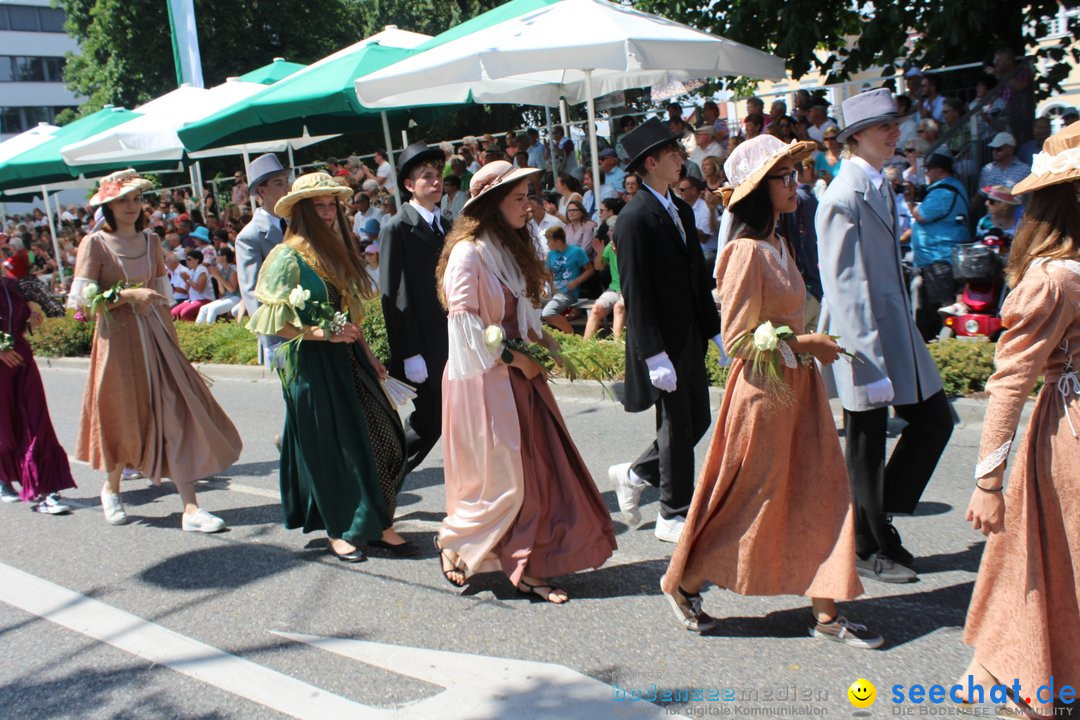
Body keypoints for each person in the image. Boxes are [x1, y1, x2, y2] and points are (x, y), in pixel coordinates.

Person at [660, 133, 882, 648]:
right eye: (784, 176)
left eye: (793, 174)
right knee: (749, 502)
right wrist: (806, 343)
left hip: (798, 389)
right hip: (763, 394)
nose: (795, 183)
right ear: (759, 189)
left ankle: (827, 612)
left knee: (822, 491)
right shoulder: (742, 252)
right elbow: (738, 340)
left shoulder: (779, 243)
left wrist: (806, 349)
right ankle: (686, 582)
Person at [432, 160, 617, 603]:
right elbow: (465, 331)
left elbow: (521, 315)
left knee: (539, 473)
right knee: (498, 480)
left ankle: (529, 561)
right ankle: (455, 541)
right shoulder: (468, 253)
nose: (529, 205)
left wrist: (547, 347)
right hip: (483, 382)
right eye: (518, 198)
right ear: (493, 204)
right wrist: (517, 359)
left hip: (519, 378)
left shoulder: (509, 249)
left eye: (529, 196)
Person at [954, 121, 1079, 718]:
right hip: (1068, 438)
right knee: (1050, 567)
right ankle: (1031, 686)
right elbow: (1010, 380)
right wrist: (987, 481)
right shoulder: (1052, 279)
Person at [816, 90, 954, 583]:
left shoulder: (876, 184)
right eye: (883, 128)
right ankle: (866, 544)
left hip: (894, 330)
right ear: (855, 138)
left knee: (935, 421)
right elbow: (845, 289)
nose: (895, 133)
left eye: (894, 124)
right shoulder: (841, 195)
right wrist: (866, 363)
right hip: (864, 340)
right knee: (865, 447)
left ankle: (878, 520)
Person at [247, 172, 409, 562]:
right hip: (311, 363)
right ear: (301, 211)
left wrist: (367, 353)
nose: (326, 213)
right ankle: (341, 529)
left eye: (330, 205)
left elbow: (348, 314)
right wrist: (322, 333)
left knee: (384, 434)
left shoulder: (337, 249)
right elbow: (270, 322)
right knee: (334, 448)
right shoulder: (285, 257)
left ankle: (378, 519)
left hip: (349, 357)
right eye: (317, 206)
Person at [68, 169, 241, 531]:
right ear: (108, 205)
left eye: (136, 199)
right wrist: (126, 295)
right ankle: (111, 489)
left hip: (157, 337)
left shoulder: (150, 241)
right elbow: (82, 301)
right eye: (122, 200)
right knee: (124, 416)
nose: (131, 206)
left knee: (175, 414)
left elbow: (162, 294)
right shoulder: (94, 244)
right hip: (117, 343)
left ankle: (191, 508)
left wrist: (175, 346)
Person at [609, 118, 724, 543]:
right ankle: (672, 512)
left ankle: (637, 472)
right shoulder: (634, 218)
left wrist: (713, 331)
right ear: (652, 162)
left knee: (698, 417)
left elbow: (697, 278)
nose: (682, 158)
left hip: (688, 336)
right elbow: (635, 291)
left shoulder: (681, 208)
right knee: (675, 424)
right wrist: (653, 353)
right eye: (673, 153)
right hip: (663, 344)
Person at [379, 142, 450, 475]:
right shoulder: (397, 227)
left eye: (437, 175)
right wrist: (409, 352)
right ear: (409, 185)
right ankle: (382, 476)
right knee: (430, 421)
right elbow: (392, 295)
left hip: (451, 341)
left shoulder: (446, 225)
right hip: (422, 348)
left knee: (446, 420)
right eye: (426, 177)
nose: (435, 182)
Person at [0, 276, 76, 513]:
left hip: (21, 359)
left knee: (35, 421)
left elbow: (19, 323)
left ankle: (45, 489)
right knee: (5, 426)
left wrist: (31, 320)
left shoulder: (13, 284)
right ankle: (5, 478)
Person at [236, 153, 291, 366]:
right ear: (261, 190)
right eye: (278, 183)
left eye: (286, 181)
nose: (286, 188)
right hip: (282, 333)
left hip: (312, 327)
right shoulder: (250, 236)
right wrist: (270, 340)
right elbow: (252, 293)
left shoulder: (296, 223)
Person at [910, 152, 970, 341]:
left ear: (940, 170)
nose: (926, 173)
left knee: (944, 309)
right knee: (934, 308)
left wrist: (908, 200)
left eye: (928, 169)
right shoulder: (945, 188)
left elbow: (921, 215)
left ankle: (946, 345)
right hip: (935, 257)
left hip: (940, 257)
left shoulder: (944, 191)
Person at [541, 225, 592, 335]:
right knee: (531, 306)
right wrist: (548, 287)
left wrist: (576, 282)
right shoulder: (550, 254)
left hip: (568, 293)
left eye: (549, 241)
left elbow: (590, 270)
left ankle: (571, 335)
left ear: (558, 241)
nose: (547, 244)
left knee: (548, 313)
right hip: (554, 292)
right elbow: (548, 273)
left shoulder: (576, 251)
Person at [584, 217, 624, 340]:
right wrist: (600, 253)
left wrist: (619, 252)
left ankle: (617, 348)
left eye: (610, 230)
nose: (607, 233)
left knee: (619, 307)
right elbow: (598, 267)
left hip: (630, 288)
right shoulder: (609, 246)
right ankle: (584, 348)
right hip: (614, 288)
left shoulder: (630, 244)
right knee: (596, 309)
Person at [196, 247, 241, 324]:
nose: (216, 257)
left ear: (224, 257)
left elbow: (232, 289)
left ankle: (209, 330)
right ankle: (198, 331)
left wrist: (218, 276)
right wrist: (217, 278)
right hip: (228, 297)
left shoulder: (234, 269)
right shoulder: (222, 270)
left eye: (218, 255)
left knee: (213, 308)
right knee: (203, 308)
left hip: (237, 297)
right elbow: (222, 291)